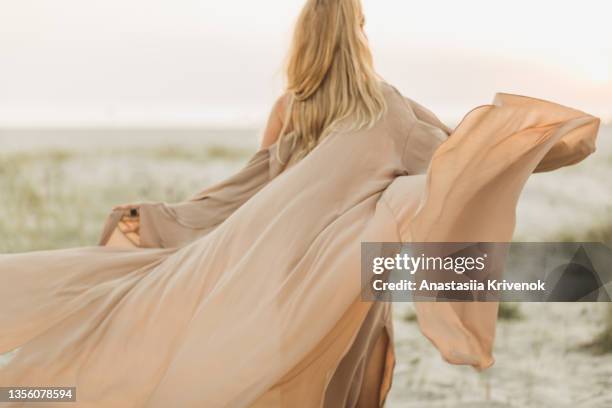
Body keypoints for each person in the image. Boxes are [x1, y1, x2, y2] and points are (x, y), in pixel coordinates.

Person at [0, 0, 600, 407]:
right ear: (358, 35)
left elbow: (245, 191)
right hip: (338, 275)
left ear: (308, 40)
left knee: (196, 353)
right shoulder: (390, 108)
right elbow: (457, 165)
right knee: (344, 355)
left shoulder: (292, 107)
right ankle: (591, 279)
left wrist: (163, 221)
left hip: (267, 276)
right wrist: (535, 143)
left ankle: (31, 394)